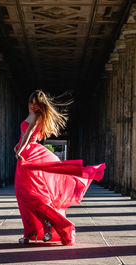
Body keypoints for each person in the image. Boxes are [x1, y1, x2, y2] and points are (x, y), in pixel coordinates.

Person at [14, 90, 106, 245]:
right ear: (29, 101)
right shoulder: (30, 115)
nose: (34, 104)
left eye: (37, 102)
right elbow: (23, 135)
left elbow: (29, 135)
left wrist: (20, 150)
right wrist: (17, 146)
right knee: (22, 194)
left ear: (41, 104)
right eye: (32, 101)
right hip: (24, 154)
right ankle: (33, 230)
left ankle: (49, 226)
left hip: (29, 154)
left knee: (33, 194)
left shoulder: (37, 116)